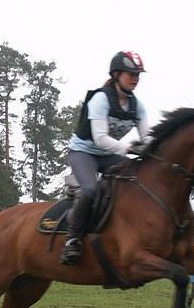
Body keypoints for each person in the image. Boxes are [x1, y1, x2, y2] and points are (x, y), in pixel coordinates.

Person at [60, 51, 151, 265]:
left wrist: (150, 150)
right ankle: (72, 239)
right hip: (84, 152)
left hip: (110, 154)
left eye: (138, 74)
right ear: (117, 74)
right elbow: (100, 139)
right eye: (131, 74)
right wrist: (129, 147)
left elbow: (147, 137)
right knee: (91, 191)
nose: (136, 78)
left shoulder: (137, 106)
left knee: (138, 182)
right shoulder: (101, 99)